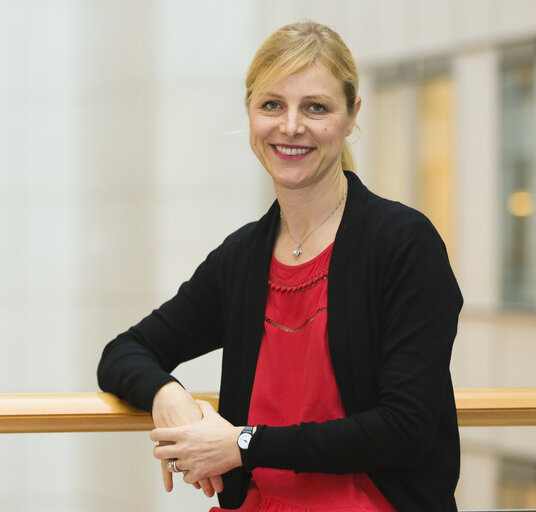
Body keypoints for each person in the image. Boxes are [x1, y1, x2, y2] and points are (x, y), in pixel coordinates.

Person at [97, 20, 462, 511]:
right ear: (250, 114)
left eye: (316, 107)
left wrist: (242, 444)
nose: (291, 127)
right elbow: (124, 352)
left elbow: (404, 429)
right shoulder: (244, 257)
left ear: (353, 114)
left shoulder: (403, 244)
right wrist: (169, 396)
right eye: (272, 105)